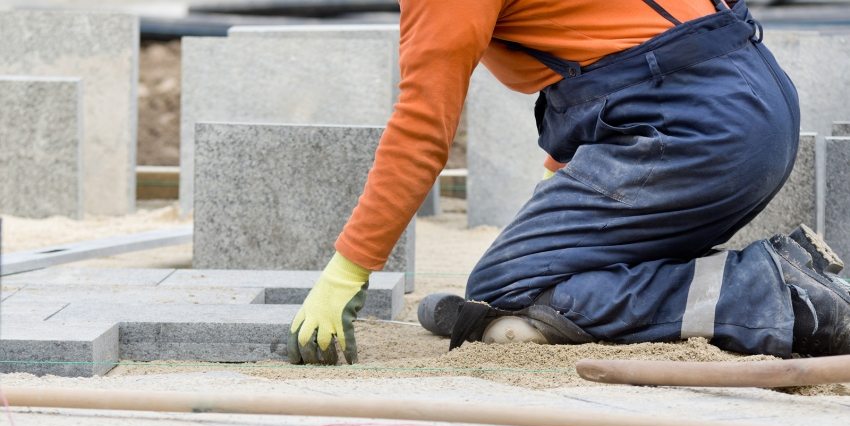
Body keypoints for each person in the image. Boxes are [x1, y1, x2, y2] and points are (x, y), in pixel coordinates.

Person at [288, 0, 850, 366]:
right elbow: (612, 56)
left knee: (508, 282)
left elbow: (421, 128)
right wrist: (567, 201)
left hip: (696, 126)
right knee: (531, 274)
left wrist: (349, 269)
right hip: (748, 97)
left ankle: (770, 291)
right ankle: (760, 283)